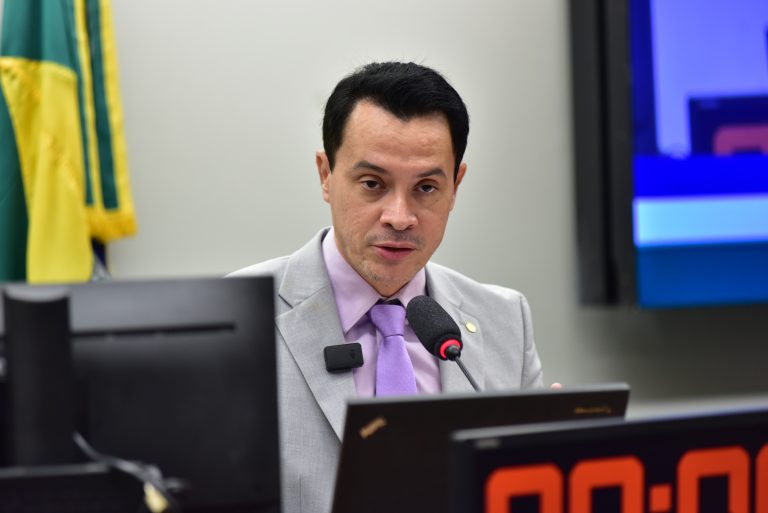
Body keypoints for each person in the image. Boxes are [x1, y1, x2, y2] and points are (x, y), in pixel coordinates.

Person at [230, 61, 543, 513]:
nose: (399, 217)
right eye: (372, 184)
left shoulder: (505, 321)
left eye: (426, 188)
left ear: (456, 186)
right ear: (325, 174)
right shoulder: (238, 318)